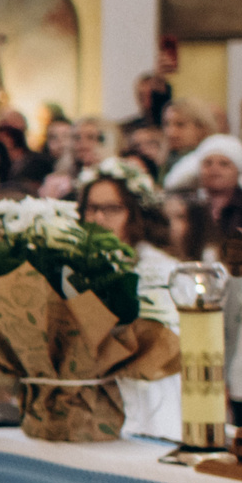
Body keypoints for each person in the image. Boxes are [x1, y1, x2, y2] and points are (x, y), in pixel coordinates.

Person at [76, 160, 178, 441]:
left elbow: (168, 341)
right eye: (91, 208)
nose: (98, 219)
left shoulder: (161, 268)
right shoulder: (72, 266)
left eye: (111, 209)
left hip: (148, 393)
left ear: (135, 214)